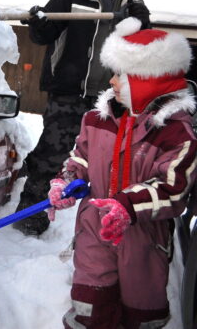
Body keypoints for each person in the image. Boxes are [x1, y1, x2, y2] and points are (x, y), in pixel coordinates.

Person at [49, 17, 197, 329]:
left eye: (122, 75)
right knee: (90, 304)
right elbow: (82, 158)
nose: (113, 82)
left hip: (144, 238)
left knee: (141, 312)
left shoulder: (176, 135)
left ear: (149, 78)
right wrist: (67, 181)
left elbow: (173, 190)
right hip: (94, 228)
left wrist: (126, 206)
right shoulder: (96, 120)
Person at [14, 0, 152, 236]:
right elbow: (44, 35)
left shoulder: (132, 1)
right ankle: (28, 219)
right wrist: (39, 22)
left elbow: (144, 40)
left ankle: (101, 226)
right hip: (68, 90)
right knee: (52, 155)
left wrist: (136, 21)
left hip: (108, 97)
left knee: (106, 163)